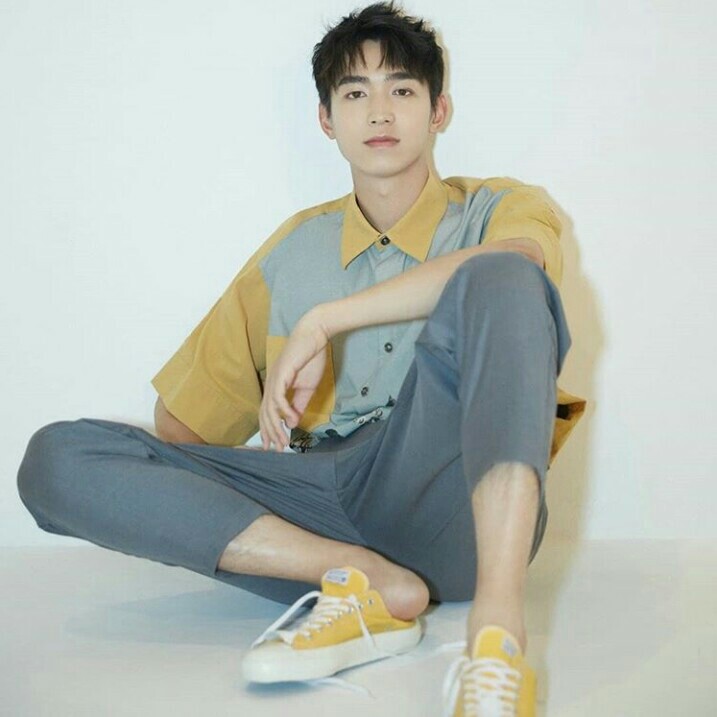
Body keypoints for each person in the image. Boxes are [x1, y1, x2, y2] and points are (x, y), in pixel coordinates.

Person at [16, 1, 587, 714]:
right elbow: (179, 428)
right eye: (355, 93)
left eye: (402, 89)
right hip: (317, 505)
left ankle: (496, 637)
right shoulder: (292, 251)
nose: (380, 111)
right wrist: (245, 477)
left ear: (438, 110)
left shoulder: (498, 209)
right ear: (326, 119)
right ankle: (360, 578)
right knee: (57, 457)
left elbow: (518, 267)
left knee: (503, 277)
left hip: (450, 501)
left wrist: (326, 321)